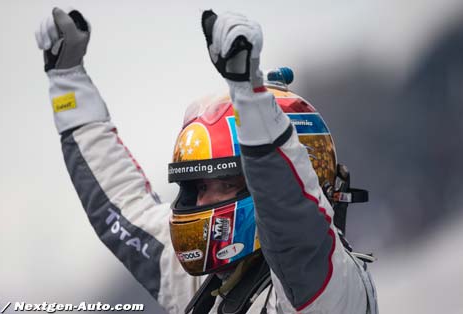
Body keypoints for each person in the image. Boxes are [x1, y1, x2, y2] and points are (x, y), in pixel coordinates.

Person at [35, 8, 378, 314]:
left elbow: (290, 213)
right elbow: (122, 207)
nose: (202, 202)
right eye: (198, 187)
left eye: (224, 184)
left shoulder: (329, 292)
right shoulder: (212, 283)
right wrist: (68, 85)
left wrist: (251, 96)